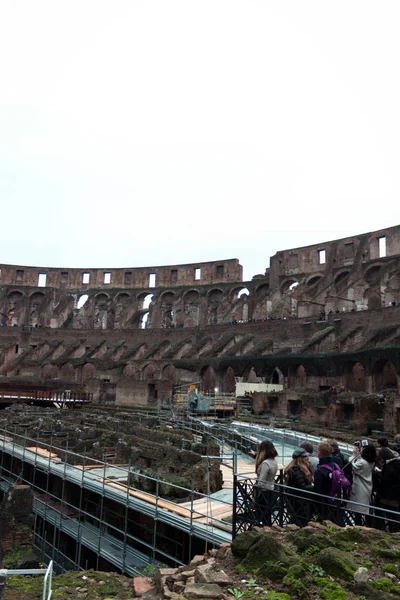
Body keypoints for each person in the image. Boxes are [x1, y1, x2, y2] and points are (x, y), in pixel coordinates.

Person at [347, 443, 376, 525]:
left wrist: (353, 455)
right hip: (367, 487)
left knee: (358, 512)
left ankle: (358, 527)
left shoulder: (363, 463)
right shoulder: (370, 462)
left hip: (360, 488)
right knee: (365, 510)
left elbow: (351, 466)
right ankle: (367, 526)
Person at [284, 448, 314, 526]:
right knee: (299, 520)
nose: (308, 458)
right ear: (300, 459)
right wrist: (313, 486)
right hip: (298, 500)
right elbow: (302, 488)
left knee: (298, 519)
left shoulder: (301, 468)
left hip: (299, 500)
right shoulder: (296, 470)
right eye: (305, 457)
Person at [375, 448, 400, 532]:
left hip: (388, 496)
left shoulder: (388, 467)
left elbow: (385, 482)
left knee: (390, 516)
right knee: (394, 516)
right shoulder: (397, 463)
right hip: (396, 495)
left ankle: (390, 531)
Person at [254, 440, 279, 526]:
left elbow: (261, 481)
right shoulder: (274, 461)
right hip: (271, 489)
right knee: (267, 515)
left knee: (260, 514)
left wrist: (256, 489)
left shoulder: (265, 463)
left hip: (263, 492)